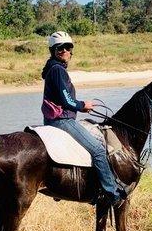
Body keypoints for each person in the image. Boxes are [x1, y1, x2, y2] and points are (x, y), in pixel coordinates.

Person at [41, 31, 125, 206]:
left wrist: (79, 108)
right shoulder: (57, 70)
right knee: (98, 149)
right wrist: (82, 105)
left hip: (57, 119)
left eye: (68, 47)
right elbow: (67, 100)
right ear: (54, 51)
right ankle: (111, 193)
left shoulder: (53, 68)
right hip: (62, 121)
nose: (65, 51)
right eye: (61, 48)